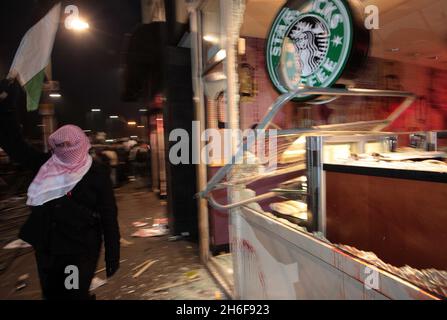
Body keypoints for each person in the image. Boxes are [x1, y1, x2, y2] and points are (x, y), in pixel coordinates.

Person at [0, 79, 120, 300]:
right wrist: (6, 106)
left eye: (70, 146)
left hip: (78, 251)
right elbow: (15, 145)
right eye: (60, 146)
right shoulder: (46, 165)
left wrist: (113, 254)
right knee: (53, 295)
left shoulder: (96, 174)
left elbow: (109, 216)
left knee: (72, 294)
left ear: (82, 146)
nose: (65, 151)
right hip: (47, 250)